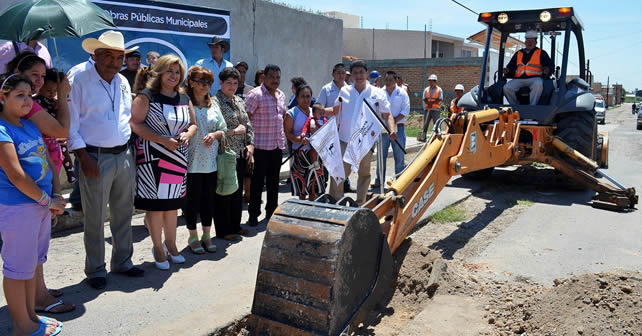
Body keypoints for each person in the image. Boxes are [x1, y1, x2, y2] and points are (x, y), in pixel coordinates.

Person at [68, 30, 145, 288]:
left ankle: (122, 262)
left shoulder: (122, 81)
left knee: (124, 213)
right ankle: (96, 269)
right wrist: (83, 157)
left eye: (119, 57)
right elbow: (71, 123)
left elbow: (124, 117)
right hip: (93, 156)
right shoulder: (78, 77)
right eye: (109, 56)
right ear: (96, 54)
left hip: (123, 154)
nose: (114, 62)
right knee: (95, 216)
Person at [7, 52, 75, 313]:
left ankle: (39, 291)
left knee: (37, 248)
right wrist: (64, 98)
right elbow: (61, 131)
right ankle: (34, 304)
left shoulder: (30, 104)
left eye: (42, 76)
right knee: (24, 255)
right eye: (33, 75)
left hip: (40, 187)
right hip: (25, 192)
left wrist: (56, 191)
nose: (38, 82)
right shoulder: (26, 105)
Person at [0, 73, 66, 336]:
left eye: (29, 95)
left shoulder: (29, 125)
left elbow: (46, 160)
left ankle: (31, 317)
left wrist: (52, 198)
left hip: (39, 206)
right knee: (18, 268)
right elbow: (16, 175)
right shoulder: (2, 129)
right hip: (18, 208)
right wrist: (47, 200)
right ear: (2, 98)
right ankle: (21, 326)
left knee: (30, 265)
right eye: (19, 95)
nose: (27, 100)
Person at [130, 54, 197, 270]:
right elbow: (135, 124)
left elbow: (193, 124)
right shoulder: (146, 96)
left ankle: (172, 245)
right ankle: (158, 248)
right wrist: (161, 140)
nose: (174, 76)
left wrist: (188, 134)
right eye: (170, 71)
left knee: (172, 207)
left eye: (177, 72)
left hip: (177, 158)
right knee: (157, 207)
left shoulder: (185, 98)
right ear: (159, 71)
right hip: (153, 158)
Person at [327, 60, 396, 205]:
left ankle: (360, 204)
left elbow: (387, 114)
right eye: (355, 73)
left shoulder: (377, 93)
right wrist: (319, 110)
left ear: (367, 73)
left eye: (361, 72)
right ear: (351, 75)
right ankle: (334, 203)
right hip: (345, 139)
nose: (358, 75)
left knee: (364, 174)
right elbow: (335, 111)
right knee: (338, 173)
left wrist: (392, 129)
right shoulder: (344, 91)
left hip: (366, 142)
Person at [183, 66, 228, 252]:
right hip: (190, 161)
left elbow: (223, 129)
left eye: (208, 82)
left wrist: (215, 134)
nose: (205, 86)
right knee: (192, 202)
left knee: (208, 200)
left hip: (210, 162)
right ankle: (192, 236)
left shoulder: (213, 104)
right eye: (201, 82)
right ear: (191, 82)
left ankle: (207, 235)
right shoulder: (184, 103)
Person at [214, 67, 255, 238]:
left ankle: (235, 225)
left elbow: (248, 125)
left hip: (240, 153)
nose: (232, 86)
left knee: (237, 192)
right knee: (225, 191)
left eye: (235, 83)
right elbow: (214, 129)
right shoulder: (215, 102)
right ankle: (224, 230)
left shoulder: (239, 100)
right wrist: (234, 132)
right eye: (228, 83)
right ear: (221, 83)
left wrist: (250, 145)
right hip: (224, 153)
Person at [244, 64, 287, 226]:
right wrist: (248, 143)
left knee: (273, 182)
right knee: (257, 183)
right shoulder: (255, 95)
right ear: (264, 77)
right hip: (260, 147)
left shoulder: (281, 95)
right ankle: (253, 214)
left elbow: (281, 117)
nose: (275, 80)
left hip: (276, 146)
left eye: (278, 77)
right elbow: (245, 118)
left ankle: (271, 212)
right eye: (272, 77)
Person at [284, 86, 327, 201]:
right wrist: (299, 139)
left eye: (308, 96)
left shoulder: (315, 111)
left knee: (314, 186)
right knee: (302, 187)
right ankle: (302, 210)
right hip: (300, 154)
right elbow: (287, 133)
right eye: (302, 96)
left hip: (316, 154)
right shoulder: (292, 113)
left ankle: (312, 209)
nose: (306, 99)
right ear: (297, 98)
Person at [34, 69, 76, 183]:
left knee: (63, 152)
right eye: (48, 90)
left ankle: (70, 170)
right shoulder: (35, 101)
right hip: (45, 140)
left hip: (56, 141)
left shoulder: (55, 101)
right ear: (41, 87)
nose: (52, 93)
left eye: (55, 90)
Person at [317, 63, 353, 192]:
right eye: (338, 73)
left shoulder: (350, 90)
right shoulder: (326, 89)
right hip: (330, 131)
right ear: (333, 74)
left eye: (343, 73)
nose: (341, 75)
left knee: (344, 160)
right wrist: (331, 111)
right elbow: (318, 108)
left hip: (345, 131)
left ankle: (345, 185)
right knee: (329, 160)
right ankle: (325, 187)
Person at [374, 71, 410, 188]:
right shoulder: (380, 92)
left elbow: (405, 111)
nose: (388, 82)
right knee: (381, 156)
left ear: (395, 81)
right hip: (383, 130)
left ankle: (399, 182)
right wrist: (387, 124)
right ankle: (379, 180)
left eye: (390, 80)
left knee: (399, 157)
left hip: (398, 129)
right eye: (386, 80)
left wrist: (392, 121)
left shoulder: (402, 93)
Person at [503, 30, 553, 106]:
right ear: (525, 42)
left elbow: (550, 65)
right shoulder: (518, 53)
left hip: (534, 79)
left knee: (538, 83)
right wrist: (508, 71)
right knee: (507, 88)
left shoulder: (541, 53)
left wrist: (548, 69)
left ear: (536, 42)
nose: (529, 43)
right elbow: (511, 68)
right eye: (527, 41)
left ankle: (532, 107)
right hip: (519, 79)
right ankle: (515, 106)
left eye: (532, 41)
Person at [421, 74, 442, 141]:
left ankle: (436, 138)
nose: (430, 83)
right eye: (429, 81)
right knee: (425, 124)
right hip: (427, 109)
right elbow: (424, 98)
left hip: (436, 110)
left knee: (436, 124)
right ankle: (423, 137)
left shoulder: (439, 89)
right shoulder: (426, 89)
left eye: (432, 81)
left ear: (435, 82)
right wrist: (428, 103)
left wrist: (431, 104)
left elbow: (440, 99)